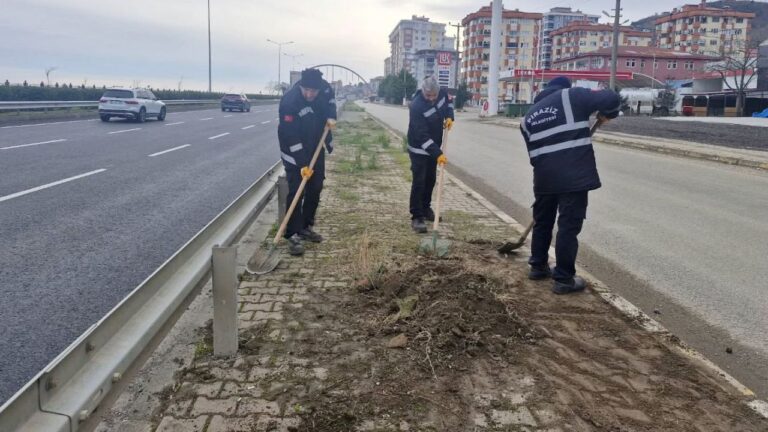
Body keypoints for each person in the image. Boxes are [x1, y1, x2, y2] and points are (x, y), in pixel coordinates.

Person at [520, 76, 620, 294]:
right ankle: (564, 279)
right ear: (565, 87)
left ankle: (537, 266)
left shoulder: (527, 118)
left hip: (544, 176)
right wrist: (608, 113)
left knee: (543, 221)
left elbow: (533, 154)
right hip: (573, 175)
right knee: (568, 225)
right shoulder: (572, 96)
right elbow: (611, 98)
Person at [277, 68, 337, 256]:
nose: (310, 94)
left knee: (315, 187)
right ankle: (292, 233)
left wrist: (331, 119)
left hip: (315, 148)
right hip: (293, 152)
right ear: (301, 86)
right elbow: (290, 136)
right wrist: (303, 164)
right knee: (297, 190)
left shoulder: (322, 92)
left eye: (314, 91)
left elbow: (330, 105)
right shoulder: (290, 102)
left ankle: (306, 226)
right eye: (307, 90)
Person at [406, 76, 455, 233]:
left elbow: (449, 103)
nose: (432, 99)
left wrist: (450, 116)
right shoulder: (416, 106)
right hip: (419, 148)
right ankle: (417, 216)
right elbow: (422, 136)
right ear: (423, 91)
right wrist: (438, 153)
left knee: (430, 180)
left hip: (434, 146)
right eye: (428, 96)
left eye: (434, 95)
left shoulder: (442, 94)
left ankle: (426, 208)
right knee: (419, 182)